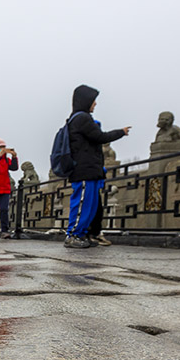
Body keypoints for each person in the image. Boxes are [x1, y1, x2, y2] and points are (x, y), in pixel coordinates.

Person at [65, 85, 130, 248]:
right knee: (82, 203)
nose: (95, 104)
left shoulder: (80, 118)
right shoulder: (81, 118)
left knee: (91, 205)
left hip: (91, 170)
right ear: (86, 101)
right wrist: (120, 132)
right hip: (84, 170)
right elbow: (100, 136)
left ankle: (82, 234)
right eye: (93, 101)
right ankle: (72, 235)